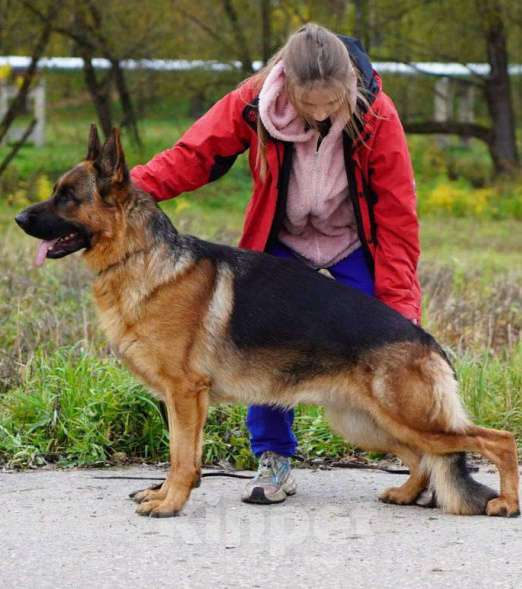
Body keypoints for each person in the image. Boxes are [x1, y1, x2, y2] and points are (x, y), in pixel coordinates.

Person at [130, 23, 422, 505]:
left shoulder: (377, 113)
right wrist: (125, 191)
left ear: (350, 84)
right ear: (287, 86)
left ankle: (427, 459)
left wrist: (400, 306)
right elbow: (194, 155)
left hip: (353, 241)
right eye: (310, 105)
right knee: (261, 345)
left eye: (333, 104)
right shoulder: (253, 102)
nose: (322, 114)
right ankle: (274, 458)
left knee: (388, 342)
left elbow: (397, 213)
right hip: (282, 239)